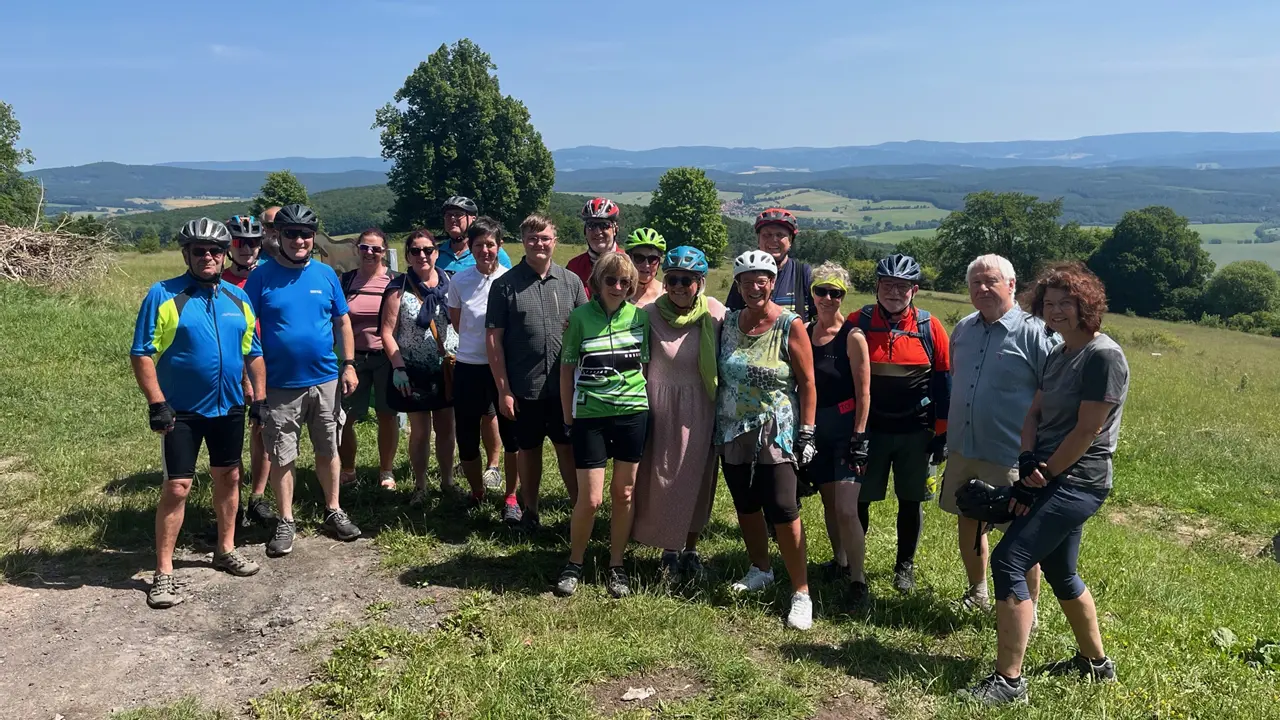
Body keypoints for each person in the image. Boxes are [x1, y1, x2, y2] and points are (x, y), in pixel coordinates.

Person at [960, 262, 1129, 705]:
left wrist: (1044, 474)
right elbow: (1034, 413)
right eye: (1049, 304)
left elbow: (1087, 430)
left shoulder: (1103, 356)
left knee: (1009, 561)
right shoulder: (1060, 353)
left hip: (1079, 481)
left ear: (1086, 305)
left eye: (1065, 303)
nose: (1055, 311)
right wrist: (1027, 458)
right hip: (1047, 471)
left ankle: (1009, 683)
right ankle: (1096, 664)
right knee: (1060, 570)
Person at [130, 218, 262, 608]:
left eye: (215, 251)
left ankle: (225, 549)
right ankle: (164, 572)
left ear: (225, 255)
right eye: (199, 251)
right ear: (186, 254)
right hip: (182, 410)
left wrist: (260, 398)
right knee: (178, 486)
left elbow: (252, 351)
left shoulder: (238, 298)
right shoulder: (164, 294)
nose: (208, 257)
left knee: (230, 476)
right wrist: (157, 403)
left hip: (229, 406)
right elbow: (142, 353)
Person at [941, 254, 1058, 615]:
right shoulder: (963, 329)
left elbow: (1054, 393)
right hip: (964, 448)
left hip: (1012, 453)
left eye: (991, 281)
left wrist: (1042, 453)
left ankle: (1027, 610)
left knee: (1019, 534)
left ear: (1011, 285)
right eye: (975, 282)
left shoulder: (1036, 332)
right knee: (968, 517)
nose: (982, 288)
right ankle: (977, 592)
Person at [244, 204, 362, 558]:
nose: (299, 240)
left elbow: (342, 321)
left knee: (329, 448)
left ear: (313, 238)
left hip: (325, 378)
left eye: (306, 234)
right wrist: (250, 378)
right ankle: (286, 519)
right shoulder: (261, 277)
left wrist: (349, 364)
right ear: (278, 236)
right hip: (280, 384)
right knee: (283, 454)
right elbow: (246, 329)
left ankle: (333, 509)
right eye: (291, 234)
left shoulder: (325, 275)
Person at [716, 250, 818, 630]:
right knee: (745, 503)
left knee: (783, 506)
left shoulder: (790, 325)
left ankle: (801, 592)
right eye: (747, 281)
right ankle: (761, 568)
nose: (754, 287)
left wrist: (807, 431)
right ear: (738, 285)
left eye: (761, 280)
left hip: (775, 428)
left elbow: (807, 382)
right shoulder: (728, 323)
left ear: (773, 283)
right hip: (732, 427)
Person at [554, 253, 652, 598]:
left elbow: (645, 367)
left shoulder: (640, 318)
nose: (618, 287)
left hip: (632, 413)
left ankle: (617, 564)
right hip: (590, 415)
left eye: (625, 281)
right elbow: (566, 371)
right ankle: (575, 562)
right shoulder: (580, 318)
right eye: (611, 280)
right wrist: (568, 418)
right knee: (591, 499)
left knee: (624, 493)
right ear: (597, 282)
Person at [853, 253, 952, 593]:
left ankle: (904, 566)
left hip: (916, 432)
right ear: (877, 286)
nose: (894, 292)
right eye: (888, 285)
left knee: (911, 501)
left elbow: (944, 383)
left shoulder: (929, 327)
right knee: (859, 499)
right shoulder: (859, 321)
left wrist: (942, 434)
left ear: (914, 290)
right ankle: (852, 561)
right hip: (872, 431)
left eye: (902, 286)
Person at [486, 214, 587, 531]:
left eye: (544, 238)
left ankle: (580, 512)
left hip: (565, 388)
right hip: (524, 386)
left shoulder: (571, 282)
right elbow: (494, 340)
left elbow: (587, 330)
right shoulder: (504, 286)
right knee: (528, 450)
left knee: (568, 450)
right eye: (532, 238)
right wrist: (503, 389)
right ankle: (530, 510)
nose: (539, 244)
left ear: (554, 241)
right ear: (523, 241)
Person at [632, 246, 724, 585]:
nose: (679, 287)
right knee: (663, 480)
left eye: (687, 280)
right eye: (672, 280)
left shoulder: (716, 313)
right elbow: (635, 359)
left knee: (698, 479)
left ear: (700, 281)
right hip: (661, 408)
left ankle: (690, 548)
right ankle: (668, 548)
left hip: (701, 407)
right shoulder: (648, 314)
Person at [804, 262, 872, 607]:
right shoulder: (804, 331)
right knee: (830, 504)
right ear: (812, 293)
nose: (828, 298)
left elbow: (864, 392)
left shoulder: (853, 336)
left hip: (847, 431)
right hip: (816, 430)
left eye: (836, 293)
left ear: (844, 296)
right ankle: (840, 561)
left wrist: (860, 436)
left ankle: (859, 581)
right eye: (822, 291)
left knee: (847, 508)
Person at [446, 217, 521, 518]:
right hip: (469, 366)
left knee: (512, 435)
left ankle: (511, 497)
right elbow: (457, 323)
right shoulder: (459, 281)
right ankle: (477, 491)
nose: (485, 250)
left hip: (504, 368)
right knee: (466, 435)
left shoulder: (512, 280)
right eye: (478, 245)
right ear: (470, 246)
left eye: (490, 244)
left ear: (499, 246)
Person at [380, 230, 458, 507]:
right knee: (421, 431)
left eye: (428, 250)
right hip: (412, 369)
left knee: (447, 428)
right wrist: (398, 367)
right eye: (415, 251)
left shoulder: (451, 282)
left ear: (437, 252)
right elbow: (387, 332)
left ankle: (448, 481)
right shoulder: (398, 288)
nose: (422, 255)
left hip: (446, 367)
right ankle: (421, 485)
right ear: (408, 256)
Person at [221, 214, 276, 528]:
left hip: (264, 364)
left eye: (253, 242)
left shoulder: (270, 275)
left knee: (262, 430)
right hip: (229, 367)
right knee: (229, 435)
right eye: (238, 242)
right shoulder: (219, 280)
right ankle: (233, 500)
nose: (246, 248)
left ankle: (258, 497)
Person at [337, 229, 400, 490]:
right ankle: (348, 470)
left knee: (387, 415)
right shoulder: (346, 280)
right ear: (357, 248)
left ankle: (386, 471)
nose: (370, 253)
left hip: (386, 358)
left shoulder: (395, 280)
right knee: (345, 417)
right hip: (353, 360)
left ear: (384, 251)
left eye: (376, 249)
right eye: (364, 247)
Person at [726, 208, 815, 322]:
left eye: (780, 235)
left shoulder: (803, 274)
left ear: (790, 240)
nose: (773, 239)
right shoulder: (745, 273)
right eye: (767, 235)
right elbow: (730, 319)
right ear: (758, 240)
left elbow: (821, 320)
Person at [436, 196, 512, 276]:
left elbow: (507, 280)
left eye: (458, 214)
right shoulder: (435, 252)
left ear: (473, 219)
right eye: (448, 215)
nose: (452, 218)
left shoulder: (492, 252)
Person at [566, 197, 623, 297]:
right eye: (591, 225)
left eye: (604, 225)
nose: (597, 232)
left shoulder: (630, 263)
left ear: (615, 230)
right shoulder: (574, 267)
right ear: (585, 230)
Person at [625, 227, 666, 306]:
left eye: (652, 259)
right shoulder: (619, 293)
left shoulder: (667, 294)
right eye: (639, 258)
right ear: (629, 259)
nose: (646, 265)